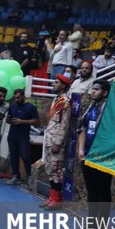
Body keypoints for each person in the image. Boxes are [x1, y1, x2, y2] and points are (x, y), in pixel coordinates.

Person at [76, 80, 112, 229]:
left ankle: (102, 226)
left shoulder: (111, 110)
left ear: (104, 92)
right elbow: (82, 129)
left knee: (103, 191)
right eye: (92, 89)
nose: (92, 92)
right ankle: (91, 222)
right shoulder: (89, 108)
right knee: (92, 190)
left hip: (104, 157)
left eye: (96, 89)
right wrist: (81, 149)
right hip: (88, 155)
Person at [40, 74, 72, 211]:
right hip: (48, 138)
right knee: (50, 169)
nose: (54, 84)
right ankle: (52, 197)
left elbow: (64, 124)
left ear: (63, 85)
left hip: (56, 141)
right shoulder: (56, 99)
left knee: (57, 170)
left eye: (57, 82)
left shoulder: (65, 101)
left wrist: (58, 142)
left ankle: (57, 199)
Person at [5, 89, 39, 185]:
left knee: (25, 156)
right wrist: (9, 120)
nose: (16, 99)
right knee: (13, 156)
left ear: (23, 96)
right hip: (12, 135)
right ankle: (16, 176)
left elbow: (36, 121)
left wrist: (22, 121)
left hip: (23, 136)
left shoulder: (31, 107)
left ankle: (29, 176)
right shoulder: (12, 106)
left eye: (18, 97)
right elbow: (8, 118)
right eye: (15, 98)